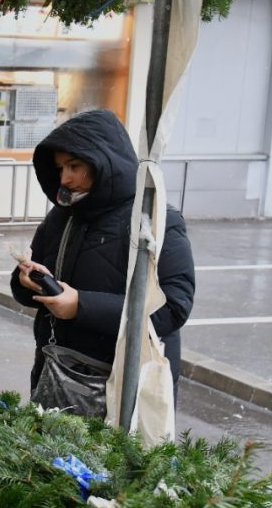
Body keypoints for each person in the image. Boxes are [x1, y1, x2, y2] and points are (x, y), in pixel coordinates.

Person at [10, 109, 195, 395]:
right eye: (60, 169)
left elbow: (172, 307)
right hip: (57, 373)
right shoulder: (63, 216)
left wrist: (80, 305)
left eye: (74, 166)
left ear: (105, 161)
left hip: (122, 385)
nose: (65, 179)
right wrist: (27, 280)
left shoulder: (155, 220)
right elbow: (27, 290)